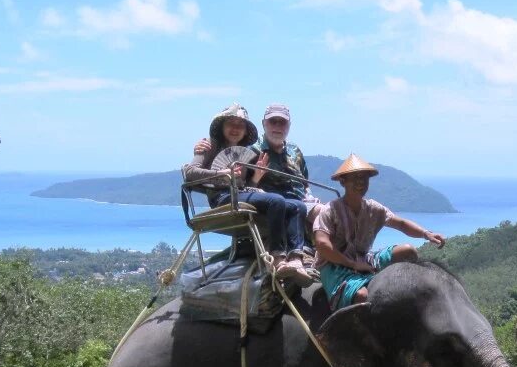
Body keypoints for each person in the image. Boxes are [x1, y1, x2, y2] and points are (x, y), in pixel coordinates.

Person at [183, 103, 314, 286]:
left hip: (241, 195)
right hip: (223, 198)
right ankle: (278, 258)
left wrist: (257, 178)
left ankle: (296, 258)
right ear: (222, 126)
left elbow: (246, 187)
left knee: (297, 206)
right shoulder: (209, 146)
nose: (235, 129)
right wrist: (220, 175)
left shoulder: (246, 152)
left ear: (245, 131)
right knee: (276, 200)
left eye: (240, 125)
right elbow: (189, 173)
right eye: (231, 124)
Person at [313, 153, 446, 310]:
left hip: (365, 259)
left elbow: (401, 223)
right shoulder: (331, 210)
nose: (361, 182)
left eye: (364, 178)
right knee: (362, 296)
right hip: (336, 265)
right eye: (355, 177)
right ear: (343, 181)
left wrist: (426, 234)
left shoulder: (373, 209)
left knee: (408, 251)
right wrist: (352, 264)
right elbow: (322, 244)